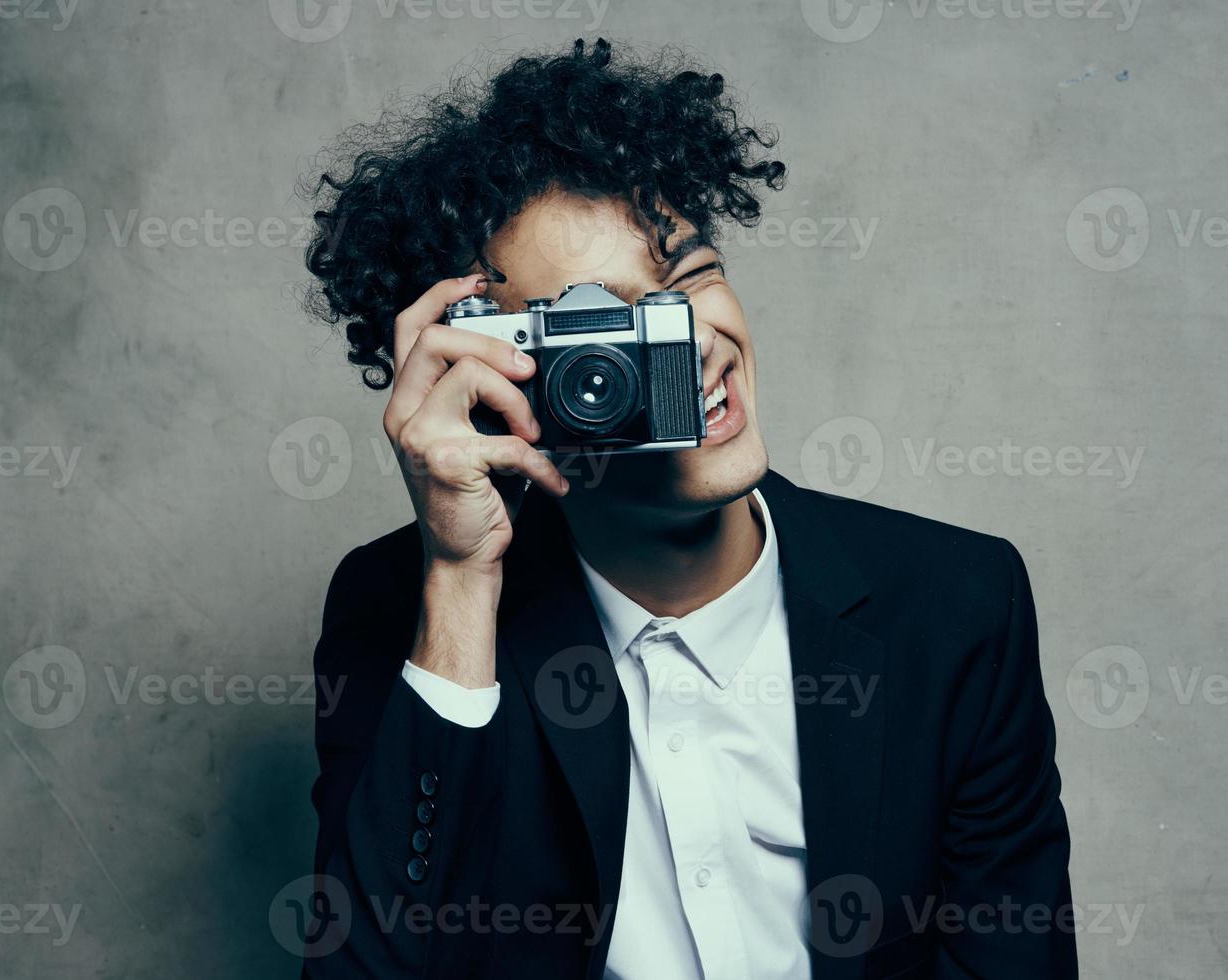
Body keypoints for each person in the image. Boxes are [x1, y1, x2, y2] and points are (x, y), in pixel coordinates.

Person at [302, 38, 1075, 980]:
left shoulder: (955, 605)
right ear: (495, 373)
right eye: (614, 325)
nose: (697, 342)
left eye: (694, 279)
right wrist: (461, 584)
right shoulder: (406, 608)